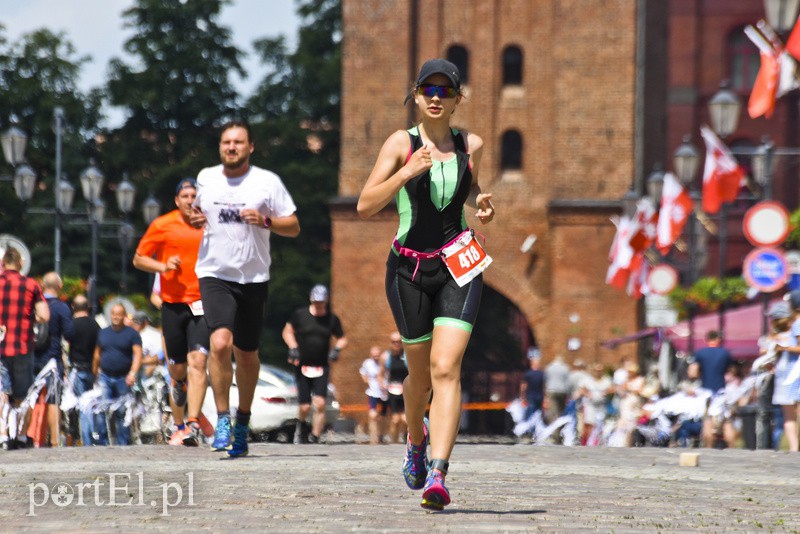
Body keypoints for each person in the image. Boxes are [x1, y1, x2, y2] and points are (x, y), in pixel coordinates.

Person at [356, 58, 494, 510]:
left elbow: (466, 191)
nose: (436, 97)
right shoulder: (401, 142)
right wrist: (404, 173)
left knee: (446, 368)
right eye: (428, 90)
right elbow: (364, 204)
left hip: (459, 263)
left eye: (445, 91)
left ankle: (438, 472)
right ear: (416, 96)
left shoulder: (471, 144)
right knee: (418, 376)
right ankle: (416, 438)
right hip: (408, 270)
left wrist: (482, 204)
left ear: (457, 100)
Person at [190, 120, 300, 457]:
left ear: (250, 147)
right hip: (214, 273)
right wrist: (193, 219)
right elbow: (197, 214)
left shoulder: (267, 182)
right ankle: (222, 417)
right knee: (220, 342)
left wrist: (266, 221)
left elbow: (293, 226)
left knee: (247, 354)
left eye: (238, 142)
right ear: (220, 147)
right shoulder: (206, 178)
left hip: (253, 278)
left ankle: (242, 420)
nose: (231, 147)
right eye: (226, 142)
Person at [133, 177, 214, 447]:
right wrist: (164, 266)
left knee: (199, 363)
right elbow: (139, 259)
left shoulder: (210, 223)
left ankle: (190, 423)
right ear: (177, 201)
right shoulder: (163, 225)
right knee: (177, 369)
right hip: (173, 305)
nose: (191, 200)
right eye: (186, 196)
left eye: (195, 196)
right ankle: (179, 389)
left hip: (203, 304)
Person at [283, 284, 347, 444]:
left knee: (320, 403)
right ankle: (301, 424)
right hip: (302, 364)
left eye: (321, 302)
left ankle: (315, 435)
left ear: (325, 301)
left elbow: (342, 338)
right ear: (311, 300)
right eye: (316, 302)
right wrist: (293, 347)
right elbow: (287, 331)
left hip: (321, 365)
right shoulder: (300, 315)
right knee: (305, 406)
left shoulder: (332, 319)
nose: (318, 305)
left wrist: (337, 349)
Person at [0, 246, 50, 449]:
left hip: (1, 346)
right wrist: (32, 317)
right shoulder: (31, 284)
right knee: (22, 393)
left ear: (3, 263)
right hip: (22, 346)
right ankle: (20, 435)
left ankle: (2, 434)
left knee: (1, 391)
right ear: (20, 263)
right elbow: (45, 315)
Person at [32, 272, 75, 447]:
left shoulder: (34, 305)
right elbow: (70, 333)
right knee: (53, 399)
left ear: (42, 285)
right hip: (52, 359)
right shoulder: (61, 307)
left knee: (30, 398)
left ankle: (30, 438)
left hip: (31, 356)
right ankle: (55, 440)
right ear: (60, 286)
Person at [92, 303, 142, 445]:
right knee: (103, 410)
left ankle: (123, 442)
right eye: (114, 313)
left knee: (122, 411)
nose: (116, 317)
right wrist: (95, 373)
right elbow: (97, 354)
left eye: (119, 314)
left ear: (124, 315)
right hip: (105, 376)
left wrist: (132, 374)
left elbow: (138, 355)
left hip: (123, 377)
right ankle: (102, 441)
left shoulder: (132, 334)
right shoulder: (103, 332)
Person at [67, 294, 99, 446]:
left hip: (76, 369)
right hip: (92, 369)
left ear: (73, 307)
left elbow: (66, 344)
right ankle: (93, 436)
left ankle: (86, 440)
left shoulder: (71, 325)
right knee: (90, 404)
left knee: (81, 406)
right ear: (88, 307)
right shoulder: (95, 325)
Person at [359, 345, 387, 445]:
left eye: (377, 355)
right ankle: (373, 438)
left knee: (382, 416)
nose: (376, 357)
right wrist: (366, 380)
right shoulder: (367, 363)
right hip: (372, 392)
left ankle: (381, 436)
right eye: (374, 355)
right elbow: (362, 372)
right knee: (373, 414)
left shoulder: (384, 363)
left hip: (384, 393)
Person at [384, 332, 408, 443]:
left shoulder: (407, 356)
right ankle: (393, 441)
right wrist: (382, 384)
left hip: (406, 391)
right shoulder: (386, 357)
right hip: (392, 391)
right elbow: (380, 374)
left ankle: (407, 440)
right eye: (394, 342)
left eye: (398, 342)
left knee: (405, 419)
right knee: (395, 419)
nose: (396, 344)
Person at [544, 354, 571, 424]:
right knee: (561, 410)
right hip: (562, 391)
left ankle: (553, 429)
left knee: (553, 410)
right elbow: (568, 382)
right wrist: (569, 394)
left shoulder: (549, 367)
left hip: (551, 390)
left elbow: (546, 379)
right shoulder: (566, 368)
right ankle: (559, 428)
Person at [519, 352, 545, 421]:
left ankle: (529, 427)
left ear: (531, 364)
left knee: (530, 411)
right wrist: (545, 397)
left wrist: (522, 396)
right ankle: (536, 427)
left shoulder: (527, 374)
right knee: (538, 412)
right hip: (540, 396)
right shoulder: (542, 374)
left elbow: (523, 387)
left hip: (530, 395)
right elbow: (544, 387)